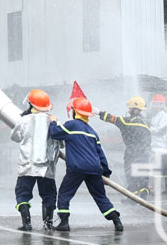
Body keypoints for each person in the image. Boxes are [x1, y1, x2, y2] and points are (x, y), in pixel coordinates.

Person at [48, 97, 123, 232]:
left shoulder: (71, 125)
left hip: (77, 168)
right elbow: (101, 154)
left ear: (75, 112)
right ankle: (116, 221)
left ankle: (64, 223)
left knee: (65, 193)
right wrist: (106, 173)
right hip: (95, 169)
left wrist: (53, 122)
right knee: (100, 196)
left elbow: (55, 133)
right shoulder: (93, 132)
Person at [10, 89, 61, 231]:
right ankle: (48, 224)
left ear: (30, 104)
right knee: (49, 195)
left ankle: (27, 224)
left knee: (22, 194)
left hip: (27, 166)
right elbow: (61, 141)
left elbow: (15, 137)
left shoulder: (23, 120)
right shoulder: (53, 121)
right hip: (47, 168)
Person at [98, 96, 152, 196]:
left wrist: (98, 112)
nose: (129, 109)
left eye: (130, 108)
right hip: (145, 152)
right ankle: (144, 191)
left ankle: (132, 196)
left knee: (130, 173)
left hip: (132, 152)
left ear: (134, 109)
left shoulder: (126, 121)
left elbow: (110, 118)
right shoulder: (146, 122)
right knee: (143, 173)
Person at [149, 94, 167, 194]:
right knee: (162, 167)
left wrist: (147, 128)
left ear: (161, 105)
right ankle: (166, 188)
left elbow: (159, 130)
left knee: (164, 167)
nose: (154, 106)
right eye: (154, 104)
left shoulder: (165, 117)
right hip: (156, 146)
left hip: (162, 146)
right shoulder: (156, 116)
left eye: (156, 104)